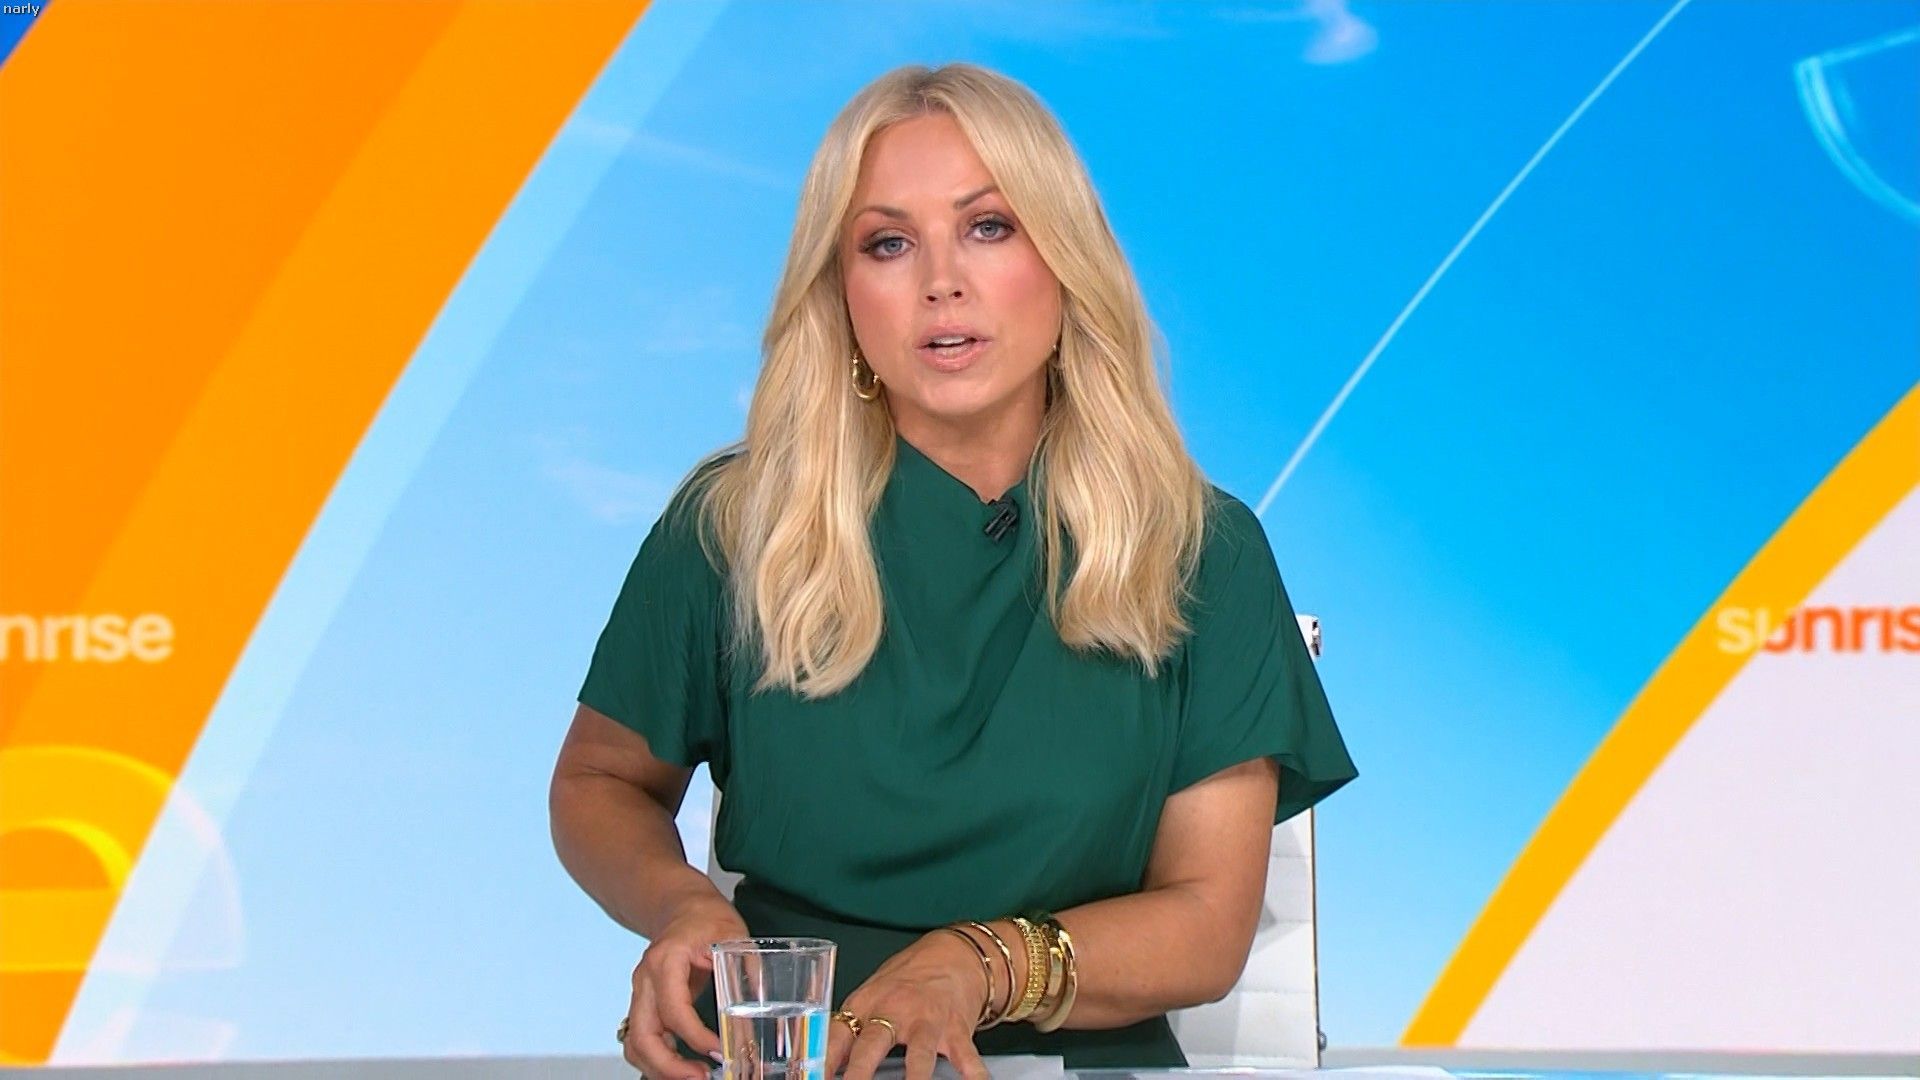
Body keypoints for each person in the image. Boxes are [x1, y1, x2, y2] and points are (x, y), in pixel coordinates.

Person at [548, 62, 1357, 1080]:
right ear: (841, 293)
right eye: (888, 243)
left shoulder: (1203, 550)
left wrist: (978, 965)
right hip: (786, 1059)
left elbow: (1205, 924)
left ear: (1065, 259)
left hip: (1075, 1062)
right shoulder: (732, 526)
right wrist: (683, 908)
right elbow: (600, 781)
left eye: (989, 226)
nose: (941, 280)